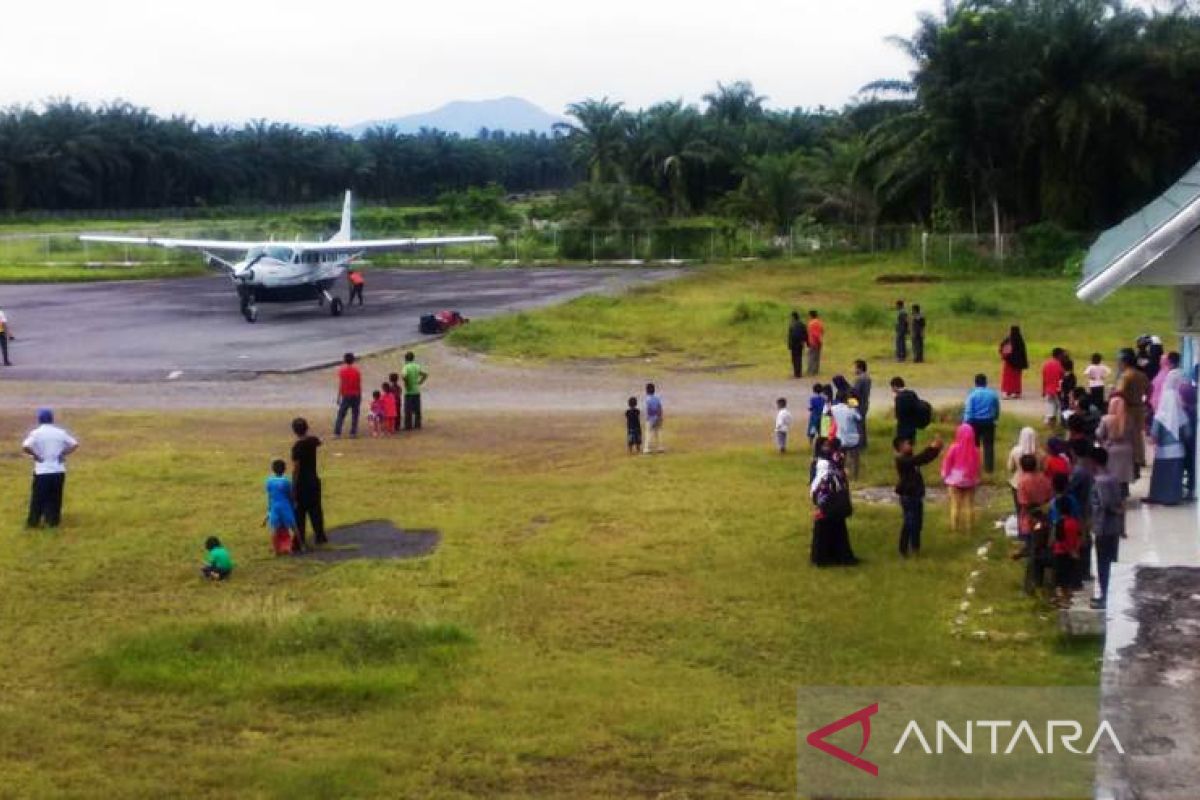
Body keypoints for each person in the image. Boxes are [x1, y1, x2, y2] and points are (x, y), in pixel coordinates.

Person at [22, 408, 79, 529]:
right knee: (55, 497)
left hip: (42, 471)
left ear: (39, 419)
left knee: (38, 498)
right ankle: (53, 521)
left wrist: (36, 456)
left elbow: (26, 446)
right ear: (52, 419)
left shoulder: (36, 433)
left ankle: (34, 522)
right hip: (58, 470)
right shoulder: (60, 432)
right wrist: (63, 453)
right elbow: (74, 444)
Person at [894, 434, 944, 557]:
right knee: (909, 523)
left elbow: (924, 459)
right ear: (900, 447)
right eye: (907, 444)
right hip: (908, 496)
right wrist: (932, 448)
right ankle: (903, 549)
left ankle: (915, 547)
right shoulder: (901, 460)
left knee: (918, 523)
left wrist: (936, 450)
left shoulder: (910, 457)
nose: (910, 445)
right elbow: (919, 459)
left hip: (916, 495)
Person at [810, 438, 857, 566]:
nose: (827, 448)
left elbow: (840, 458)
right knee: (824, 527)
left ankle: (838, 555)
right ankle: (823, 557)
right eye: (825, 445)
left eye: (828, 445)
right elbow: (818, 482)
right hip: (826, 497)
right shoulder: (821, 463)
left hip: (835, 497)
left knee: (837, 526)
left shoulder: (832, 459)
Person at [1146, 368, 1189, 505]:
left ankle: (1158, 496)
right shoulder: (1182, 415)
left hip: (1163, 451)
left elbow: (1153, 436)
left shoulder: (1160, 416)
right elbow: (1188, 434)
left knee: (1161, 476)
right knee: (1174, 476)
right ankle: (1173, 498)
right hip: (1178, 451)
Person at [1089, 447, 1125, 609]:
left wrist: (1113, 510)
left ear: (1094, 462)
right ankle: (1111, 594)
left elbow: (1106, 503)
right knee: (1112, 560)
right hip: (1114, 527)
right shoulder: (1114, 478)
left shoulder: (1099, 481)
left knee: (1103, 563)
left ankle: (1105, 596)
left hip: (1103, 527)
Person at [290, 417, 326, 551]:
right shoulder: (312, 440)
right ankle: (320, 536)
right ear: (307, 428)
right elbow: (320, 441)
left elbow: (295, 468)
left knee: (300, 512)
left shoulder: (297, 447)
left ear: (294, 431)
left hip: (301, 483)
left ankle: (300, 540)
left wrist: (293, 488)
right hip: (314, 481)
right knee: (316, 510)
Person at [1048, 473, 1082, 608]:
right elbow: (1079, 530)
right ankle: (1068, 597)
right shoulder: (1072, 501)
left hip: (1060, 550)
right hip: (1072, 547)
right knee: (1068, 575)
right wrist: (1076, 549)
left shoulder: (1054, 505)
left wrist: (1050, 543)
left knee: (1059, 577)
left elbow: (1056, 535)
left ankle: (1062, 599)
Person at [941, 423, 981, 532]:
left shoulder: (954, 448)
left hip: (954, 481)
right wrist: (977, 478)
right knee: (970, 505)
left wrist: (944, 475)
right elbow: (977, 466)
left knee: (955, 505)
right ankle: (970, 529)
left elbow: (947, 463)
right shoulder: (976, 450)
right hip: (970, 480)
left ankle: (955, 528)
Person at [1115, 350, 1149, 474]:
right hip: (1139, 407)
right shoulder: (1141, 375)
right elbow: (1148, 389)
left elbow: (1119, 392)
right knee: (1138, 434)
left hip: (1128, 408)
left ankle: (1131, 460)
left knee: (1127, 434)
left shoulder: (1126, 375)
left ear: (1124, 362)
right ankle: (1140, 458)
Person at [1067, 440, 1096, 586]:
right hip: (1087, 509)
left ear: (1073, 452)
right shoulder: (1089, 468)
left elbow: (1068, 489)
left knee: (1080, 541)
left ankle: (1080, 573)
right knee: (1085, 540)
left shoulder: (1078, 471)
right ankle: (1085, 571)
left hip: (1080, 510)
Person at [1096, 396, 1135, 498]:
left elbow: (1099, 434)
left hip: (1111, 449)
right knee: (1123, 474)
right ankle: (1124, 492)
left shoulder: (1106, 419)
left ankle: (1113, 494)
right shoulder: (1129, 419)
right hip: (1126, 449)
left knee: (1112, 473)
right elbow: (1132, 435)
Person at [1015, 454, 1053, 560]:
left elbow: (1023, 502)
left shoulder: (1022, 482)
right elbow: (1050, 495)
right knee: (1042, 541)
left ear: (1022, 467)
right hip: (1044, 513)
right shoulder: (1044, 478)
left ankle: (1033, 564)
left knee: (1032, 543)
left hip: (1030, 517)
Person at [963, 373, 1000, 473]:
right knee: (988, 445)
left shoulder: (972, 395)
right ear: (986, 383)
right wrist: (996, 418)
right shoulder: (992, 394)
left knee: (974, 446)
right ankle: (989, 468)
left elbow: (968, 410)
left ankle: (973, 466)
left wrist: (965, 423)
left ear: (975, 383)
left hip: (974, 422)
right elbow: (996, 408)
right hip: (988, 422)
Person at [265, 459, 298, 556]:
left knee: (274, 529)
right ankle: (299, 546)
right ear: (284, 469)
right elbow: (290, 495)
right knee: (293, 527)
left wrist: (269, 509)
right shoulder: (286, 482)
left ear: (273, 469)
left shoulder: (269, 481)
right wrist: (294, 504)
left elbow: (269, 495)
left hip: (274, 506)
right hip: (285, 506)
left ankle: (276, 551)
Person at [1006, 427, 1041, 513]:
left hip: (1017, 483)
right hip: (1035, 483)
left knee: (1020, 510)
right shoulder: (1038, 453)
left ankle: (1021, 524)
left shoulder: (1015, 451)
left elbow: (1010, 467)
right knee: (1034, 510)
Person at [830, 389, 862, 478]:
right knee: (855, 458)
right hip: (853, 438)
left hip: (840, 438)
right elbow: (859, 418)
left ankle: (841, 474)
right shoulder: (851, 409)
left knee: (841, 457)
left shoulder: (833, 409)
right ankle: (855, 475)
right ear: (846, 399)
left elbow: (827, 414)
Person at [334, 352, 362, 438]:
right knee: (355, 414)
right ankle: (353, 433)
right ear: (353, 360)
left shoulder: (342, 371)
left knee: (341, 414)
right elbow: (358, 384)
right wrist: (360, 395)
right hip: (356, 394)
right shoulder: (357, 371)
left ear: (345, 360)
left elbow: (341, 384)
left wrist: (338, 396)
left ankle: (337, 433)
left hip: (346, 395)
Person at [891, 377, 925, 443]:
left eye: (892, 387)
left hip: (903, 426)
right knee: (911, 443)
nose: (892, 390)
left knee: (902, 444)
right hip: (912, 425)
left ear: (895, 386)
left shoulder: (899, 397)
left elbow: (898, 414)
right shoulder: (912, 393)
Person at [999, 326, 1029, 398]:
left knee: (1008, 378)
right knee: (1016, 379)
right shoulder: (1020, 340)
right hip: (1018, 364)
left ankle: (1007, 392)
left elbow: (1003, 350)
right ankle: (1016, 392)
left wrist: (1004, 356)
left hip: (1009, 363)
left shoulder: (1009, 340)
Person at [402, 351, 429, 430]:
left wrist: (406, 384)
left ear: (406, 359)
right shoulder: (417, 366)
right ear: (413, 358)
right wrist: (420, 382)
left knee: (408, 409)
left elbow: (404, 376)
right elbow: (425, 375)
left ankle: (408, 425)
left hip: (409, 391)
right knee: (417, 409)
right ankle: (417, 424)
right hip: (416, 390)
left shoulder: (406, 367)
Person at [1041, 348, 1066, 426]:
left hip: (1048, 389)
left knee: (1051, 406)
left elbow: (1044, 378)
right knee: (1059, 406)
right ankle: (1058, 422)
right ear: (1059, 355)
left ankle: (1050, 421)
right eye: (1062, 355)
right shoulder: (1059, 365)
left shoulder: (1046, 364)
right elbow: (1063, 376)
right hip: (1057, 389)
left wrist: (1043, 390)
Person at [852, 361, 872, 449]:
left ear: (860, 368)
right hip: (865, 403)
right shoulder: (868, 377)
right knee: (862, 424)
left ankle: (860, 444)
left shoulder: (859, 379)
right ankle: (864, 443)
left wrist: (850, 404)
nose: (854, 369)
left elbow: (855, 393)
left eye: (855, 367)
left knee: (858, 426)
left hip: (859, 404)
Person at [644, 383, 664, 454]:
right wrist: (660, 416)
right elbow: (660, 408)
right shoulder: (657, 398)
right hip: (658, 417)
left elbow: (647, 410)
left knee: (648, 433)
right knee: (658, 433)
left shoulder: (647, 399)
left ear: (646, 390)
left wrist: (647, 418)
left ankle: (647, 449)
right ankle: (660, 447)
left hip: (650, 419)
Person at [788, 311, 808, 379]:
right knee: (799, 358)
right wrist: (806, 342)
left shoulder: (792, 325)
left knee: (794, 359)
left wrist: (789, 345)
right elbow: (805, 334)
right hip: (800, 344)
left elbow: (790, 336)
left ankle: (796, 373)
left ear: (793, 317)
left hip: (794, 344)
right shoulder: (802, 324)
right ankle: (799, 373)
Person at [806, 310, 824, 376]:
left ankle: (811, 371)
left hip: (813, 342)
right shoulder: (820, 322)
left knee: (811, 356)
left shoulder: (811, 323)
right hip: (819, 341)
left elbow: (813, 334)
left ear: (811, 315)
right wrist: (820, 340)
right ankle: (816, 370)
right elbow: (822, 331)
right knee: (817, 356)